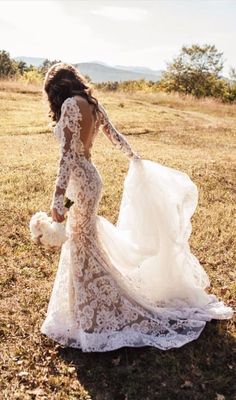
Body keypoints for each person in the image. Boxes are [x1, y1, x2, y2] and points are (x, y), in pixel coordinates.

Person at [40, 63, 233, 352]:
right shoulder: (91, 103)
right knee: (83, 242)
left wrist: (57, 199)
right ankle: (87, 309)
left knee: (81, 244)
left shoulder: (70, 104)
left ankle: (97, 312)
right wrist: (135, 158)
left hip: (80, 180)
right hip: (91, 179)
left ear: (56, 88)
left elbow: (67, 156)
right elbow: (114, 135)